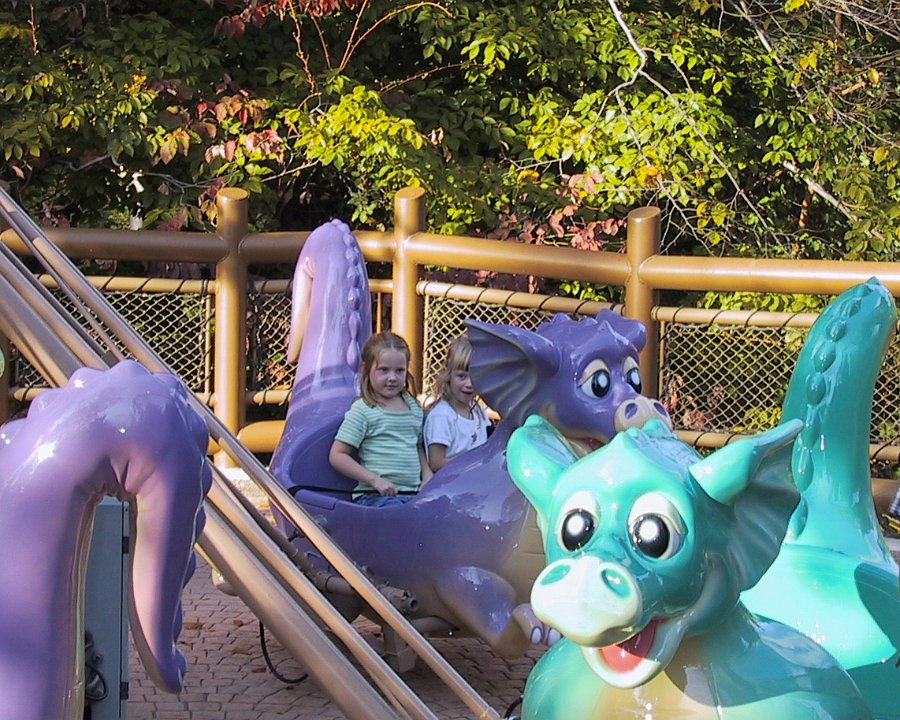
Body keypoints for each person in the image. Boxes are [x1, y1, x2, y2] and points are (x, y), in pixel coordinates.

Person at [329, 331, 432, 507]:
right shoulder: (364, 410)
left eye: (399, 371)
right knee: (400, 515)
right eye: (384, 370)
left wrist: (427, 475)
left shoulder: (413, 407)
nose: (392, 378)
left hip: (412, 494)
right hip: (375, 495)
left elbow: (417, 446)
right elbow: (337, 455)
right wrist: (375, 480)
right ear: (366, 369)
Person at [424, 335, 490, 472]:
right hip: (452, 482)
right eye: (461, 376)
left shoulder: (478, 411)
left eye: (475, 377)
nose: (469, 384)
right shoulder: (442, 416)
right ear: (449, 375)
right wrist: (472, 461)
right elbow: (436, 463)